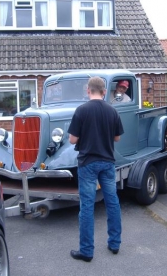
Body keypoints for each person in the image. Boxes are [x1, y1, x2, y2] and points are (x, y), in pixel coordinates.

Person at [68, 76, 124, 262]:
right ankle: (114, 244)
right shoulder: (112, 111)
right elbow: (117, 138)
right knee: (113, 203)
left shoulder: (81, 110)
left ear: (88, 90)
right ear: (104, 91)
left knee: (87, 206)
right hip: (108, 162)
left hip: (88, 164)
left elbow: (72, 140)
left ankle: (86, 251)